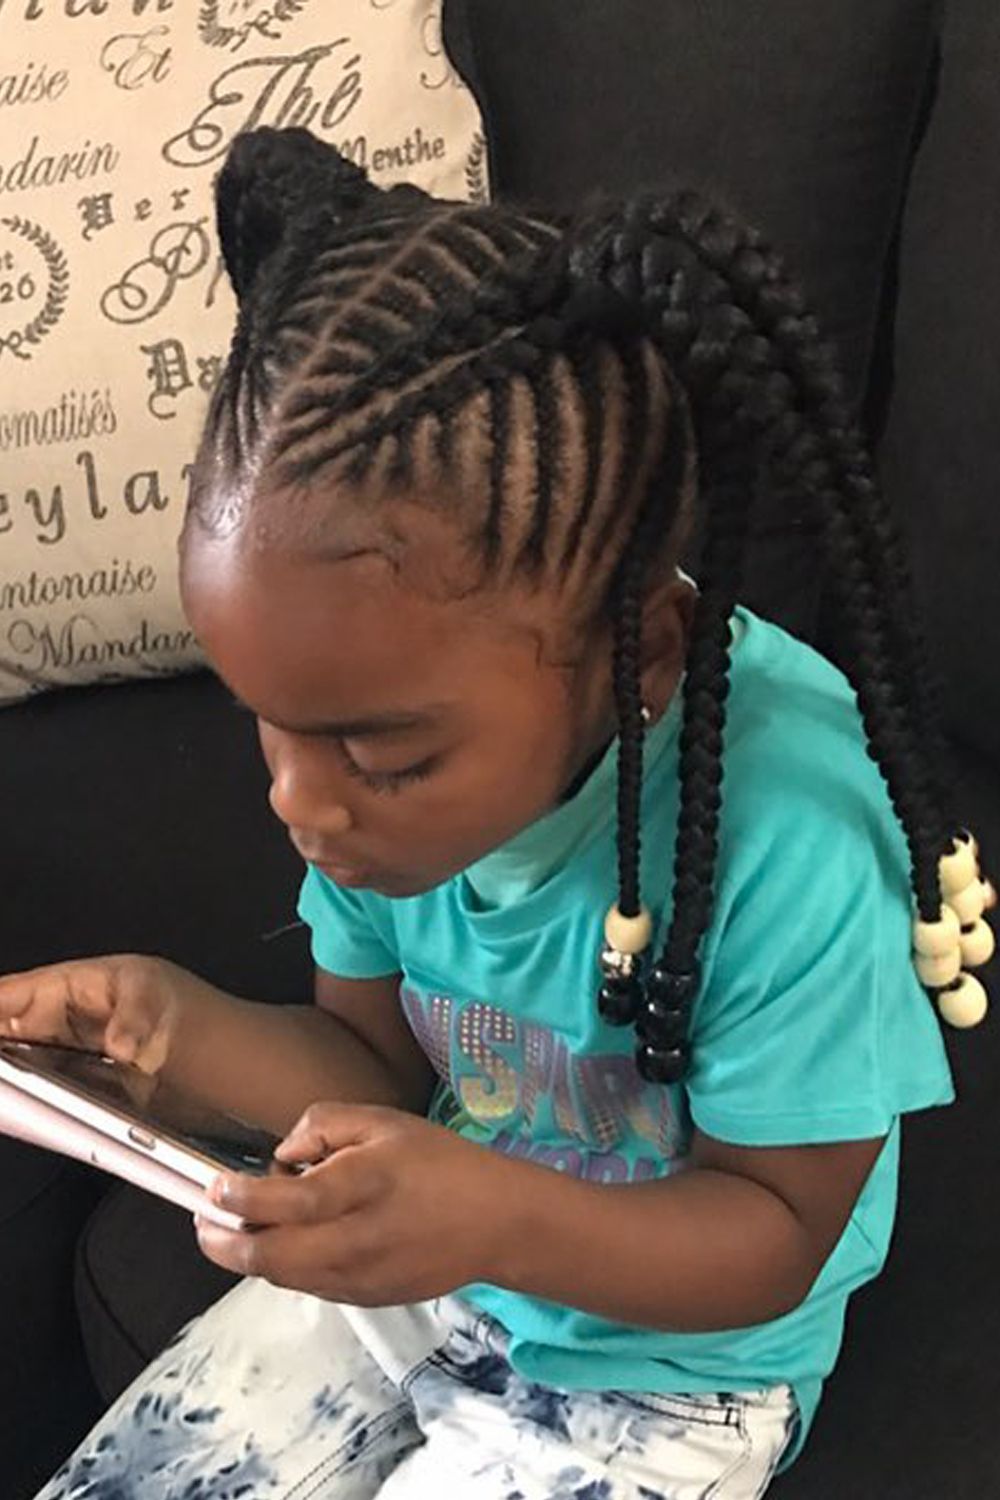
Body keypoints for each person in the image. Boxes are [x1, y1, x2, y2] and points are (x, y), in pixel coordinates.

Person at [3, 125, 995, 1500]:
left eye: (383, 756)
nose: (298, 802)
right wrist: (177, 1036)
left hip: (668, 1376)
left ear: (640, 658)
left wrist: (488, 1220)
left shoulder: (795, 832)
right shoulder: (358, 798)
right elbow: (374, 1070)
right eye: (267, 722)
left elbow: (778, 1230)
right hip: (424, 1273)